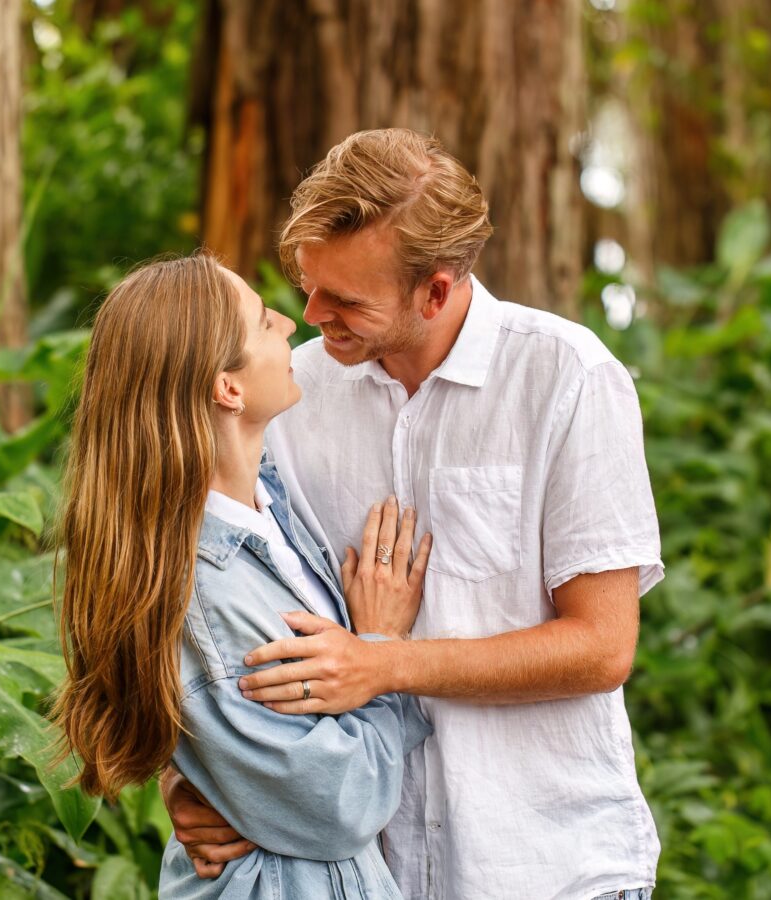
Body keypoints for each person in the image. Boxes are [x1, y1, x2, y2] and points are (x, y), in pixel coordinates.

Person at [162, 129, 664, 900]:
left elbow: (602, 647)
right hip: (364, 872)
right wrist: (196, 778)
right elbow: (217, 595)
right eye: (308, 284)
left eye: (346, 299)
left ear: (436, 289)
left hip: (544, 866)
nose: (310, 314)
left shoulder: (567, 379)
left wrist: (383, 661)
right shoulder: (286, 394)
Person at [53, 252, 436, 899]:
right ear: (227, 388)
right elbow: (337, 803)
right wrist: (381, 651)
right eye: (263, 322)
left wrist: (204, 778)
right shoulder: (205, 592)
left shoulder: (272, 508)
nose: (290, 323)